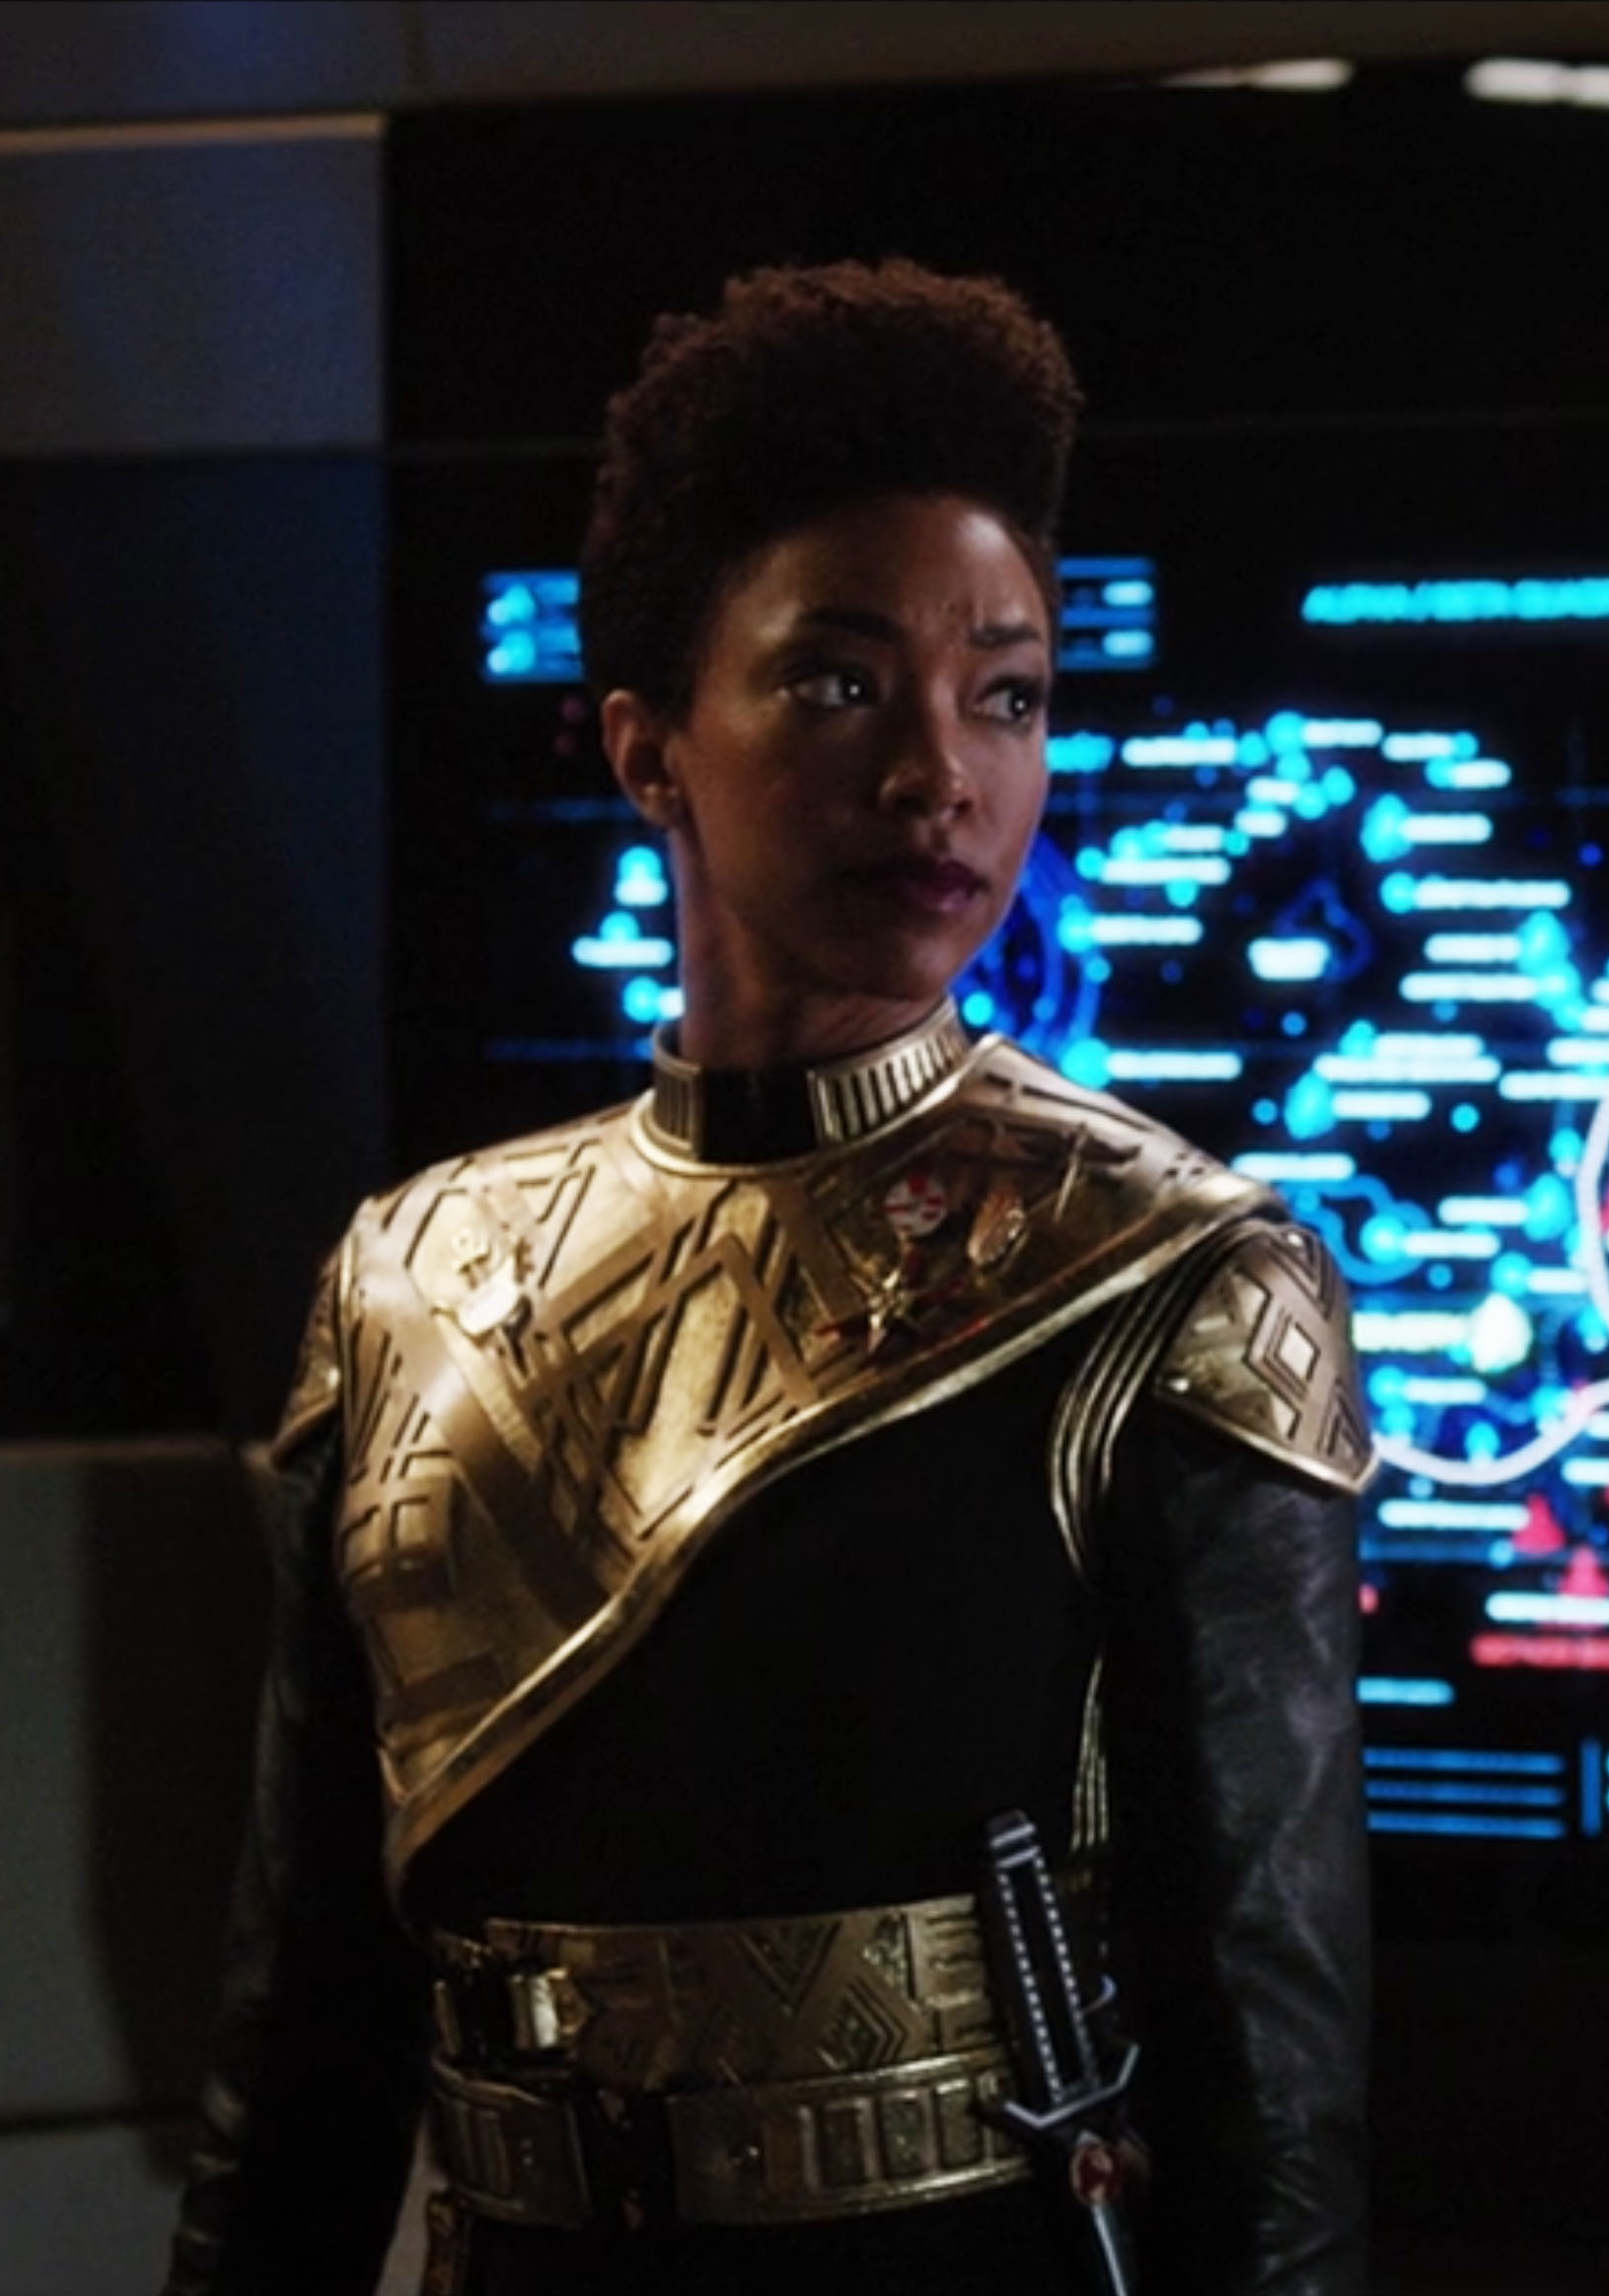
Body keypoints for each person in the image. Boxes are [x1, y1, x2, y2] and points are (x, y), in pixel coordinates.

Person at [163, 260, 1373, 2295]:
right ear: (648, 750)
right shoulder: (407, 1282)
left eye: (1006, 694)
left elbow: (1273, 2084)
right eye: (838, 684)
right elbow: (300, 2050)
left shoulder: (1169, 1279)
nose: (940, 773)